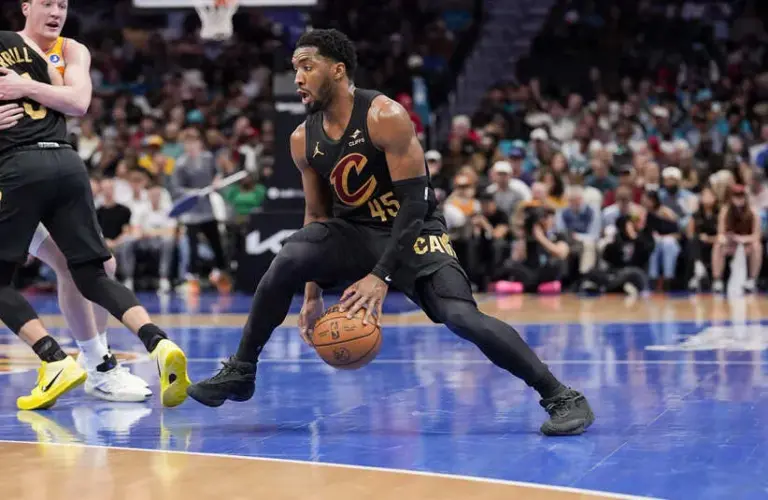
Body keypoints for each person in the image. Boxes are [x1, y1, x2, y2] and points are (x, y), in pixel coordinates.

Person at [187, 29, 594, 436]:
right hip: (354, 232)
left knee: (460, 317)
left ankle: (561, 395)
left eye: (307, 67)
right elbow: (316, 214)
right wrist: (312, 294)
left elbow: (416, 204)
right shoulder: (301, 139)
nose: (298, 78)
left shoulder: (386, 116)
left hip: (413, 231)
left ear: (338, 70)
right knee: (291, 255)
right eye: (295, 69)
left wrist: (380, 277)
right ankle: (242, 370)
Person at [0, 0, 189, 410]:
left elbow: (78, 102)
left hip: (29, 168)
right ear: (25, 7)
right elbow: (65, 98)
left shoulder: (70, 50)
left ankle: (87, 364)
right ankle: (100, 363)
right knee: (87, 269)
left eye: (62, 4)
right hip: (31, 169)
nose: (56, 12)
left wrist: (24, 87)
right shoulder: (19, 49)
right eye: (47, 3)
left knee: (97, 266)